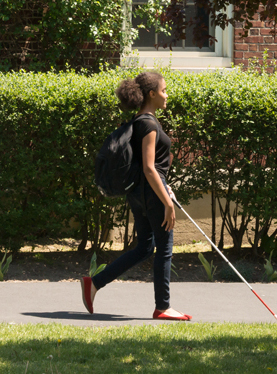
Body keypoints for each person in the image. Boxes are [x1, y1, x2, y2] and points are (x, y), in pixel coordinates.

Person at [80, 72, 191, 321]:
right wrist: (167, 204)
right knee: (163, 248)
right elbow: (150, 168)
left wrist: (166, 187)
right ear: (151, 94)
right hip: (151, 193)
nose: (167, 95)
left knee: (144, 247)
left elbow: (149, 167)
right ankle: (163, 307)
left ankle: (94, 283)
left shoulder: (138, 121)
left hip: (139, 193)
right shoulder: (150, 124)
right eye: (164, 90)